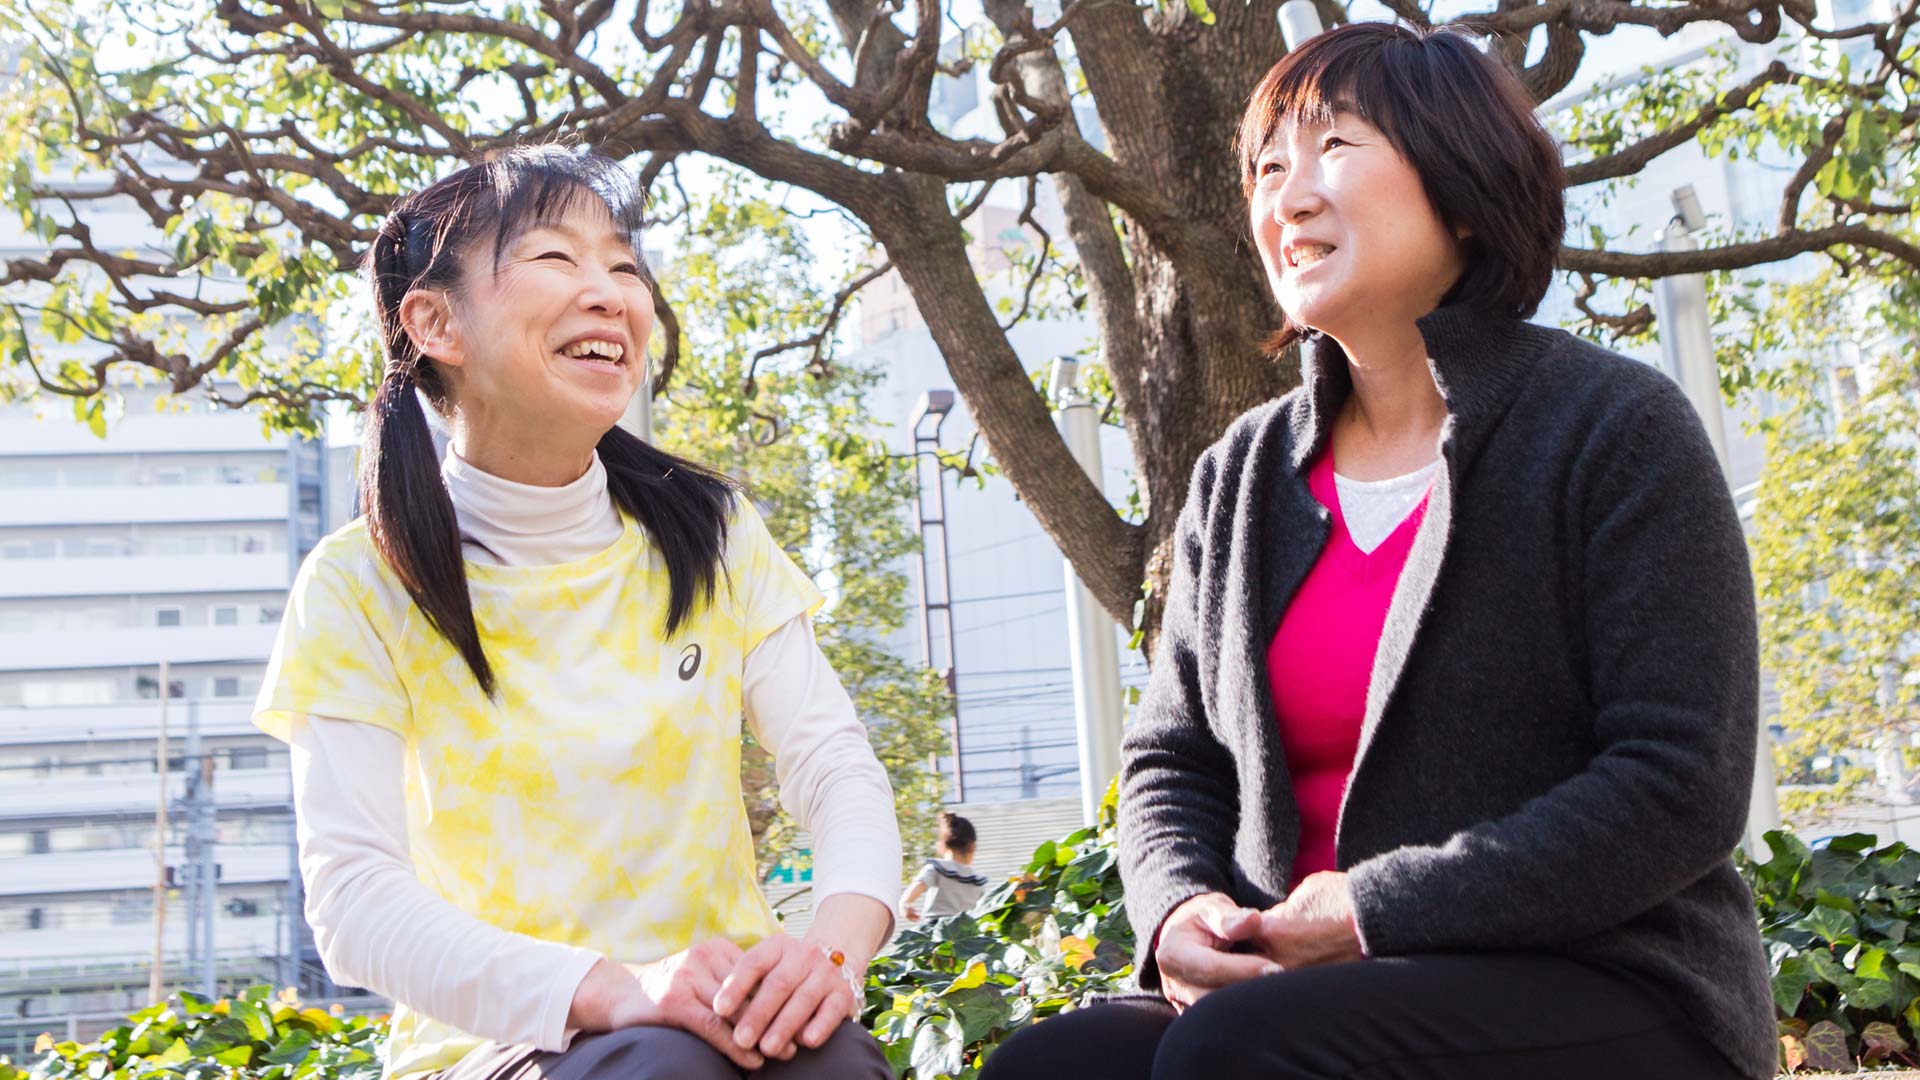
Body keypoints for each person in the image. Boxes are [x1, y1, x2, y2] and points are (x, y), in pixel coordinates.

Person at [982, 22, 1772, 1080]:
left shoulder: (1613, 428)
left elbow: (1680, 781)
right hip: (1295, 996)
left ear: (1460, 174)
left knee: (1237, 1051)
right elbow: (1172, 757)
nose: (1286, 197)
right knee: (1059, 1067)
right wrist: (1177, 910)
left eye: (1335, 149)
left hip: (1608, 981)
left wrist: (1374, 909)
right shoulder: (1242, 475)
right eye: (1267, 168)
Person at [251, 146, 897, 1080]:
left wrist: (828, 958)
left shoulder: (710, 532)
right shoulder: (359, 584)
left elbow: (836, 767)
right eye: (556, 259)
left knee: (834, 1067)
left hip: (733, 1027)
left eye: (624, 266)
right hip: (501, 1050)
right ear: (434, 320)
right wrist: (613, 987)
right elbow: (353, 903)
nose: (611, 295)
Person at [899, 812, 988, 923]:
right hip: (965, 935)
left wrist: (904, 905)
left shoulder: (937, 869)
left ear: (941, 846)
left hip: (935, 933)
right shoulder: (978, 879)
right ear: (973, 846)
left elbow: (917, 887)